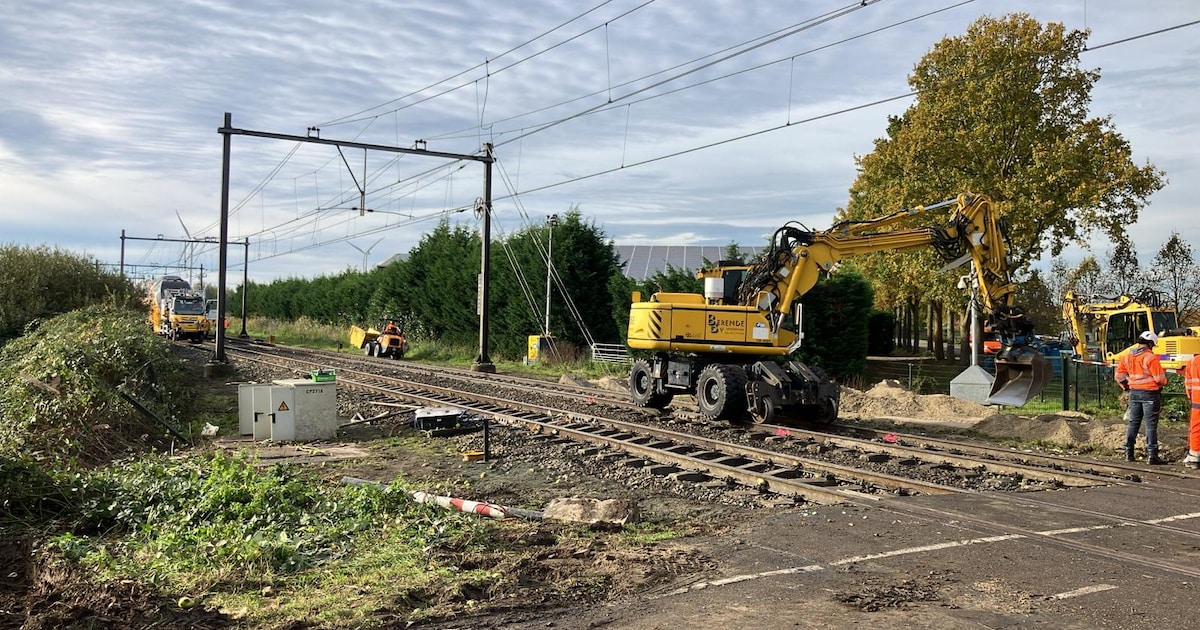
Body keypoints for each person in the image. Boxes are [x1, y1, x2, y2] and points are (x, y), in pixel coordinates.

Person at [1114, 331, 1168, 464]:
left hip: (1134, 393)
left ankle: (1129, 453)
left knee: (1133, 423)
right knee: (1150, 425)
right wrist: (1164, 383)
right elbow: (1160, 379)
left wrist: (1127, 387)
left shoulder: (1126, 357)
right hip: (1150, 393)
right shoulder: (1151, 358)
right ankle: (1152, 456)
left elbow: (1119, 376)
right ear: (1150, 344)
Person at [1184, 352, 1200, 469]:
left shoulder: (1193, 361)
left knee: (1196, 428)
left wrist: (1191, 397)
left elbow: (1188, 383)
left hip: (1197, 401)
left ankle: (1194, 457)